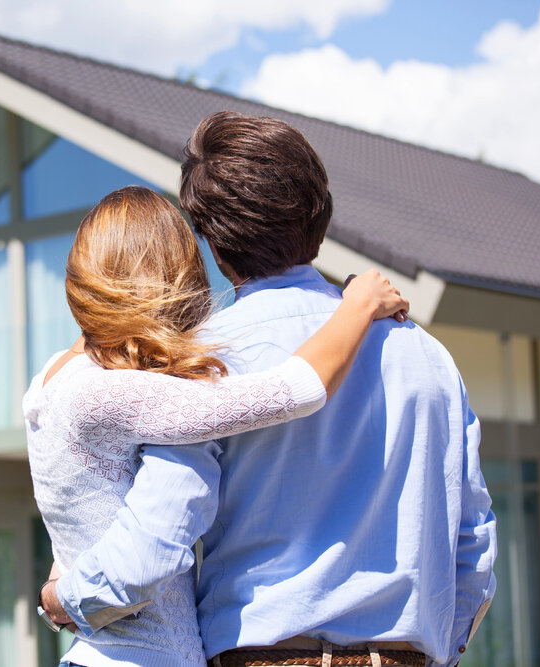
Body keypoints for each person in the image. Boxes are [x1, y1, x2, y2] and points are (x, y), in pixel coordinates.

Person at [42, 113, 497, 667]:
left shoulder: (195, 362)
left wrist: (69, 598)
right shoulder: (426, 355)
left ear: (207, 236)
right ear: (320, 215)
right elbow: (471, 542)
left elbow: (163, 522)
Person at [25, 185, 409, 667]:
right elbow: (296, 389)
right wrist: (357, 304)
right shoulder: (113, 393)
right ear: (173, 279)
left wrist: (59, 596)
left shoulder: (52, 381)